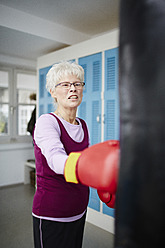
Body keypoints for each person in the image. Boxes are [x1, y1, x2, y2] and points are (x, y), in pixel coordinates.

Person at [32, 61, 90, 248]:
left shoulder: (83, 124)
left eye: (77, 84)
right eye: (65, 85)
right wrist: (96, 170)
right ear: (53, 92)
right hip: (52, 214)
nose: (72, 89)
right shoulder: (46, 122)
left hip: (79, 210)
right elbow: (57, 161)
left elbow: (84, 162)